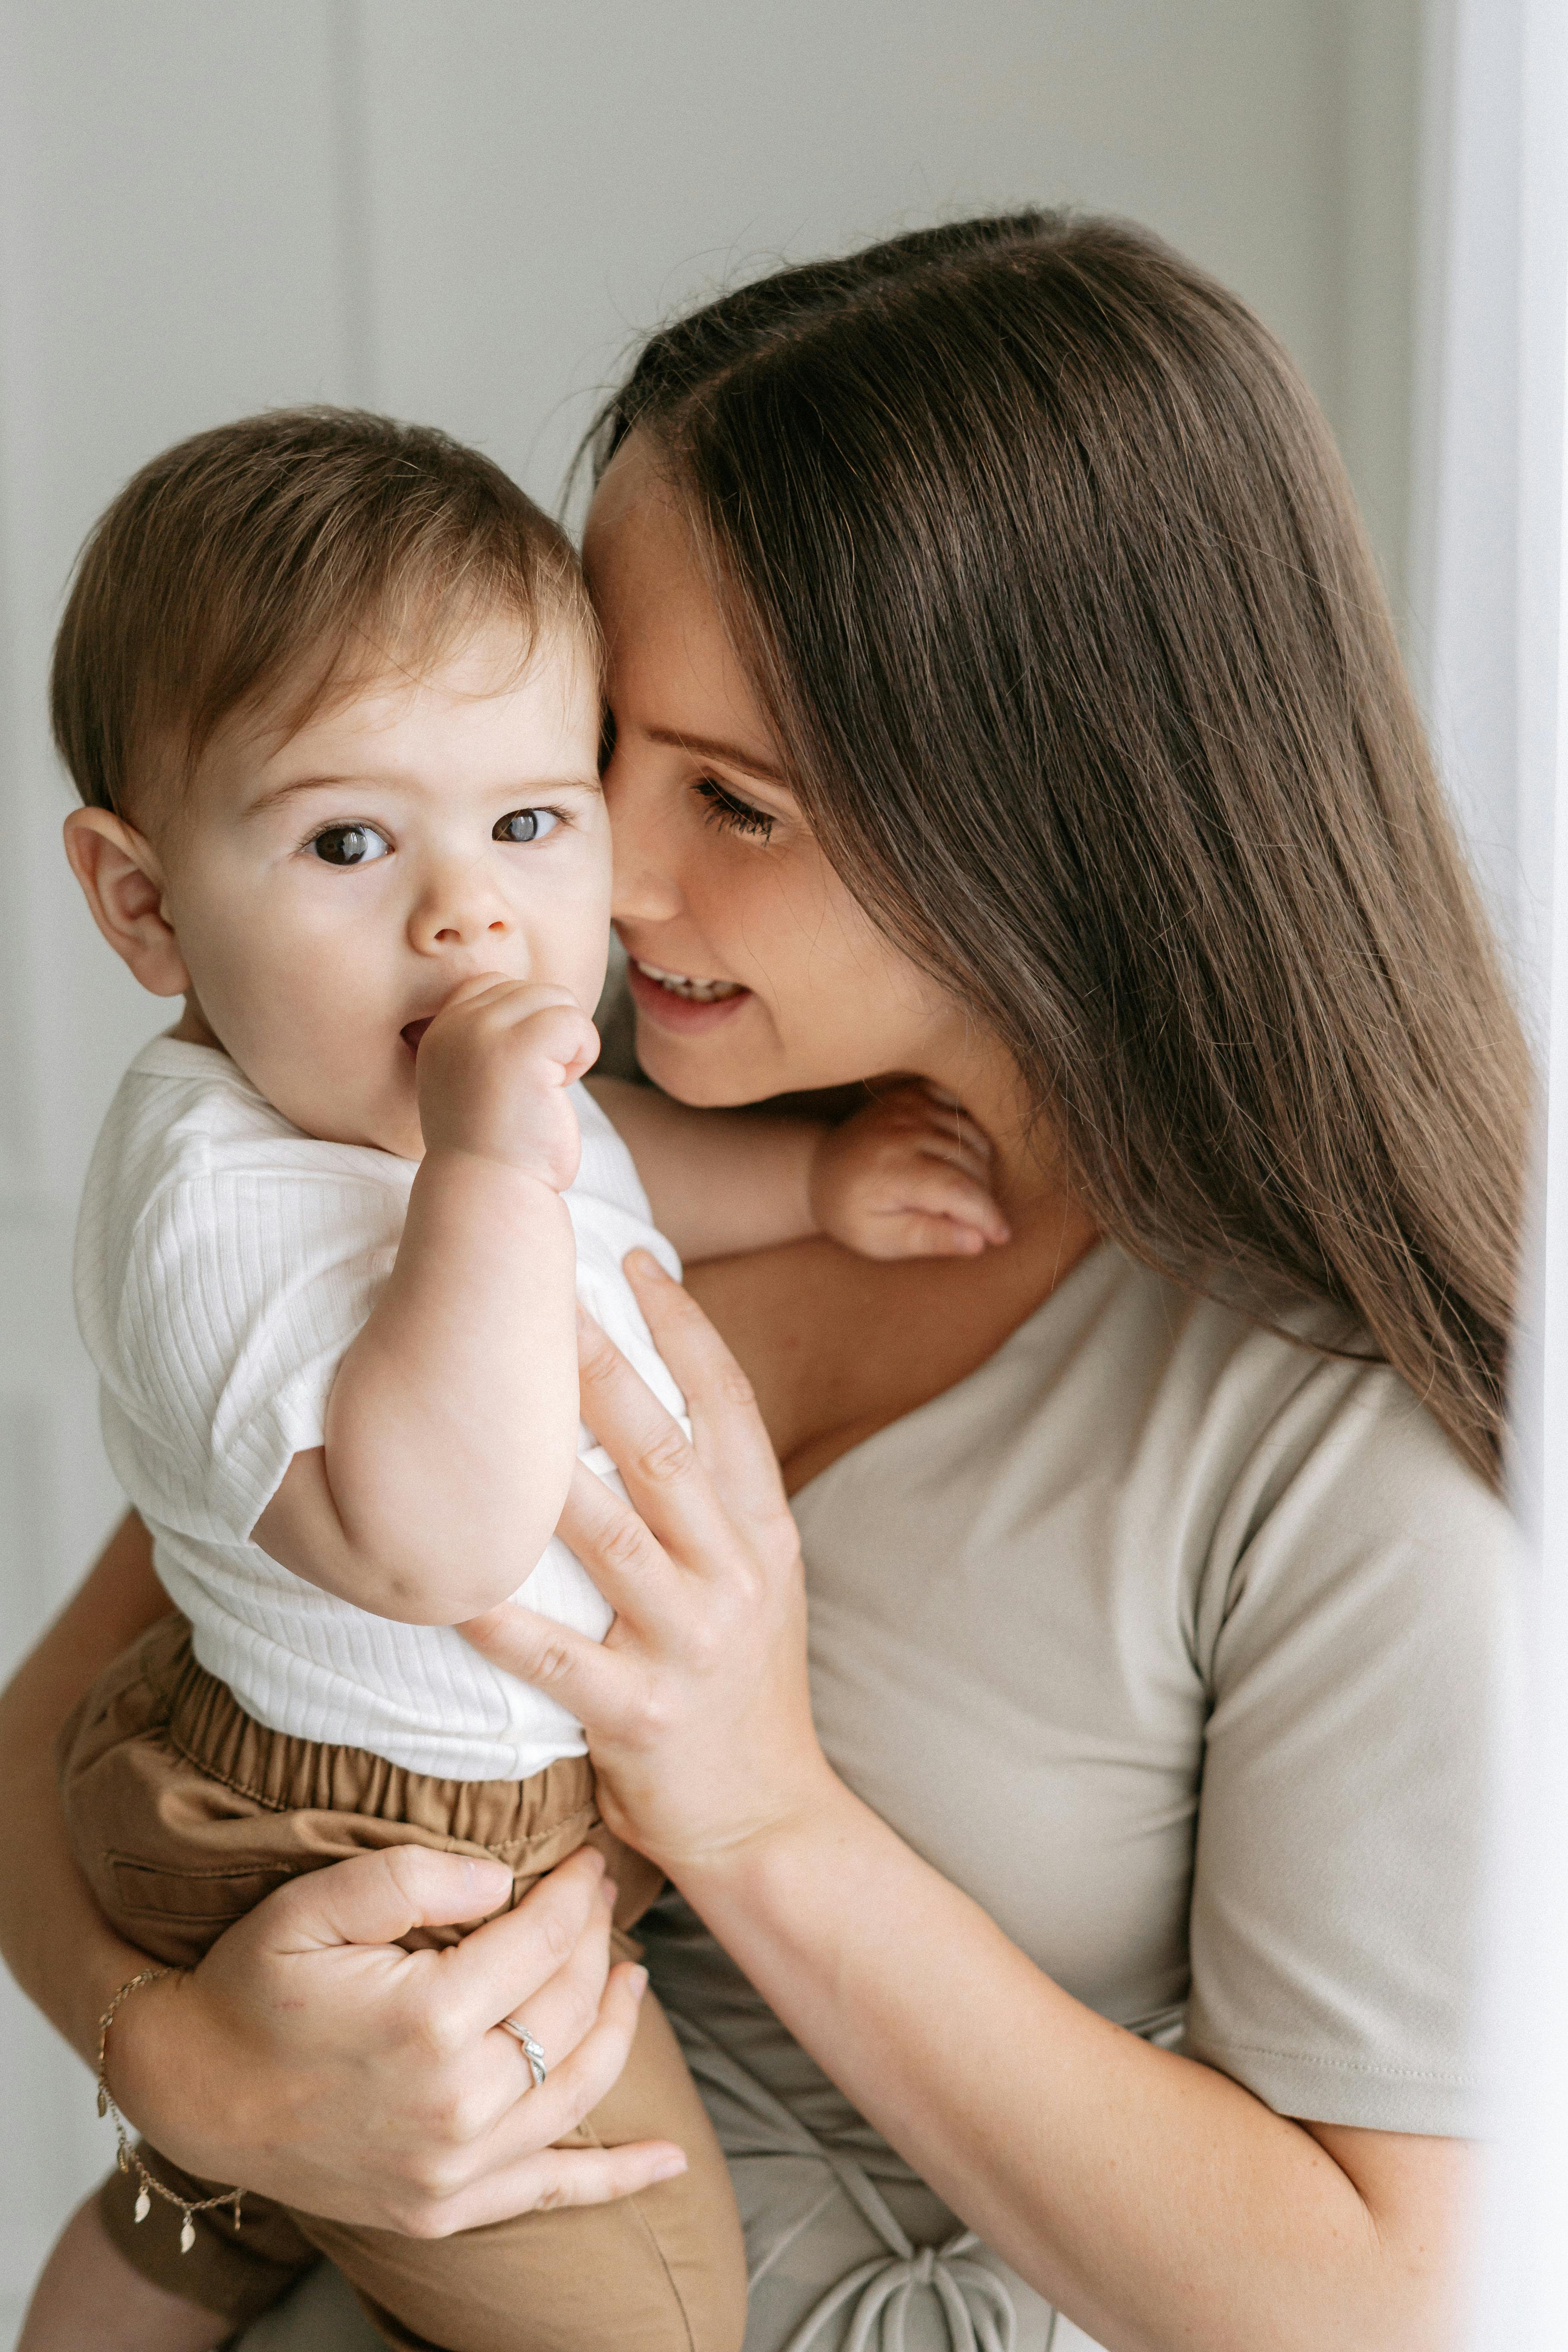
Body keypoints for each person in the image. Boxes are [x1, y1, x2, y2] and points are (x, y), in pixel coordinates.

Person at [0, 212, 1526, 2352]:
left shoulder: (1330, 1429)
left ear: (1043, 815)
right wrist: (190, 2077)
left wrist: (760, 1811)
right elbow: (68, 1721)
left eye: (729, 796)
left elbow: (1374, 2308)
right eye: (601, 747)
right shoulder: (510, 1126)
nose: (595, 880)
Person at [16, 409, 996, 2352]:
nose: (464, 911)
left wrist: (805, 1177)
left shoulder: (426, 1101)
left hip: (438, 1803)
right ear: (143, 905)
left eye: (530, 823)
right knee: (644, 2309)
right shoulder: (223, 1196)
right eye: (349, 838)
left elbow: (619, 1163)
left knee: (207, 2220)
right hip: (360, 1841)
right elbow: (436, 1524)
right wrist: (486, 1158)